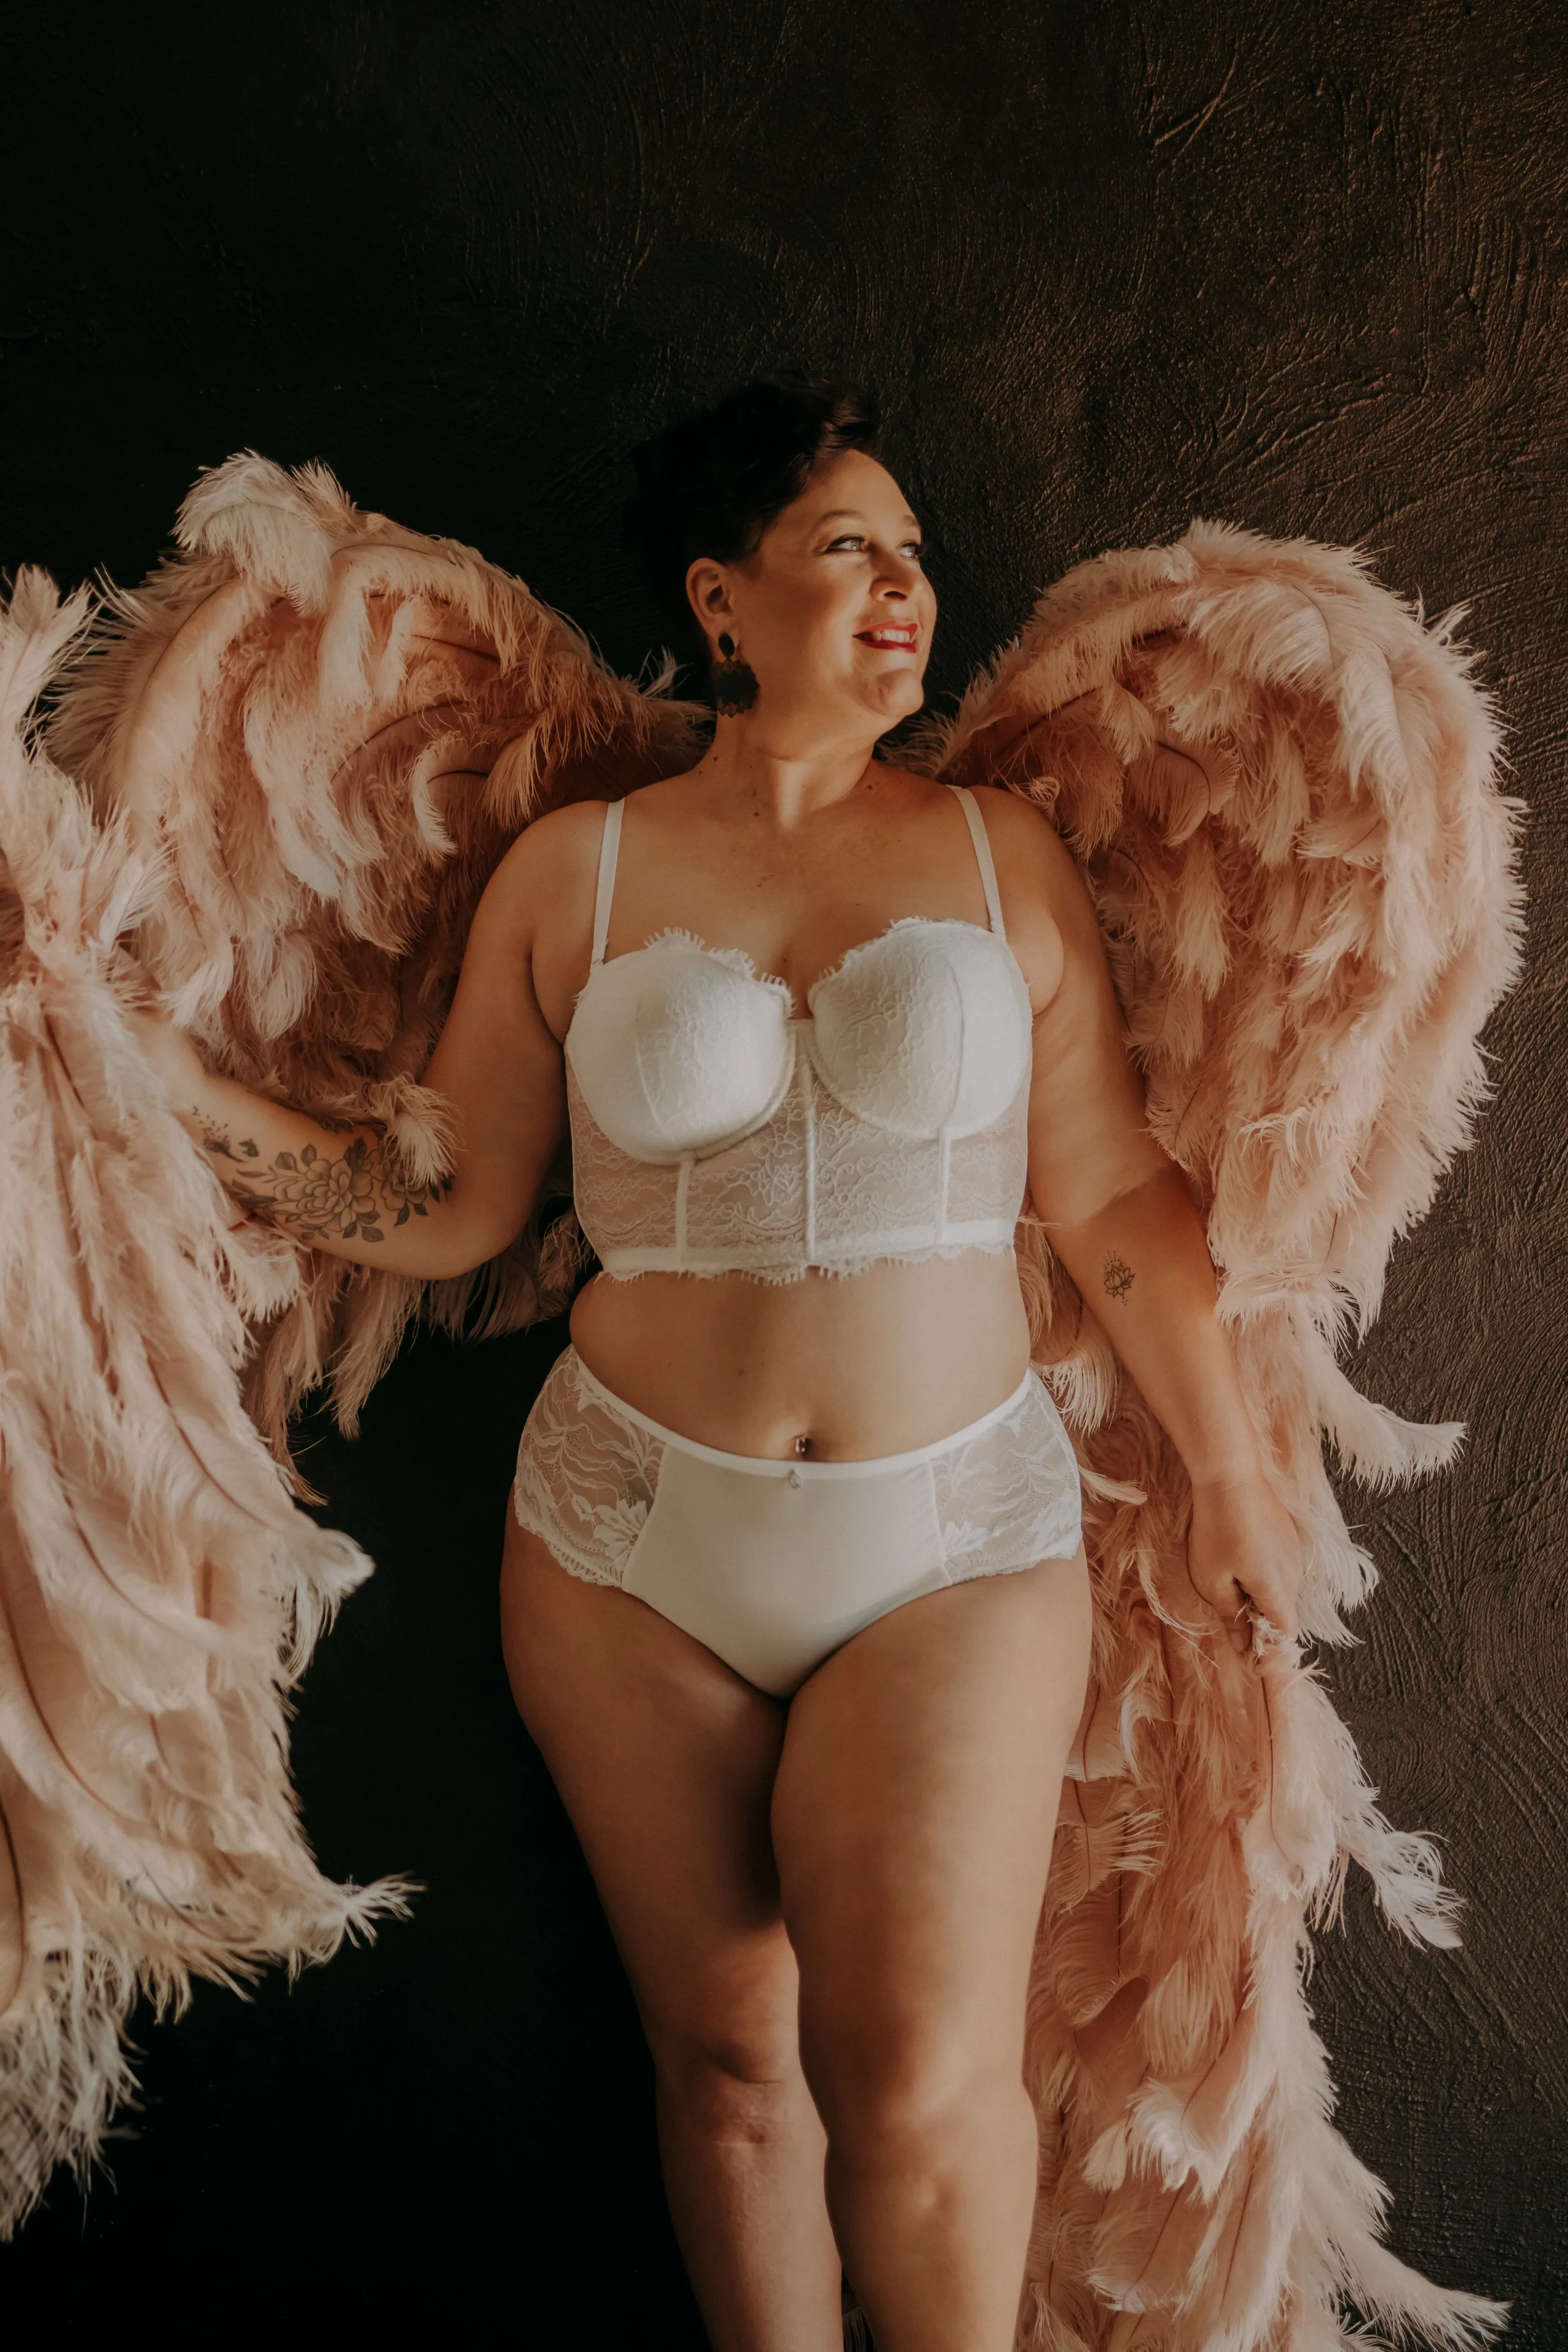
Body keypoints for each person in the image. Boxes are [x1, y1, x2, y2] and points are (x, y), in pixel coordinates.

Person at [130, 378, 1305, 2352]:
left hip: (947, 1537)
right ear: (721, 597)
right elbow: (437, 1200)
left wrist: (1233, 1479)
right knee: (732, 2070)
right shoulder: (573, 875)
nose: (905, 588)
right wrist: (146, 1073)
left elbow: (1106, 1193)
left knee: (920, 2085)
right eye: (852, 546)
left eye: (917, 556)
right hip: (620, 1540)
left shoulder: (994, 856)